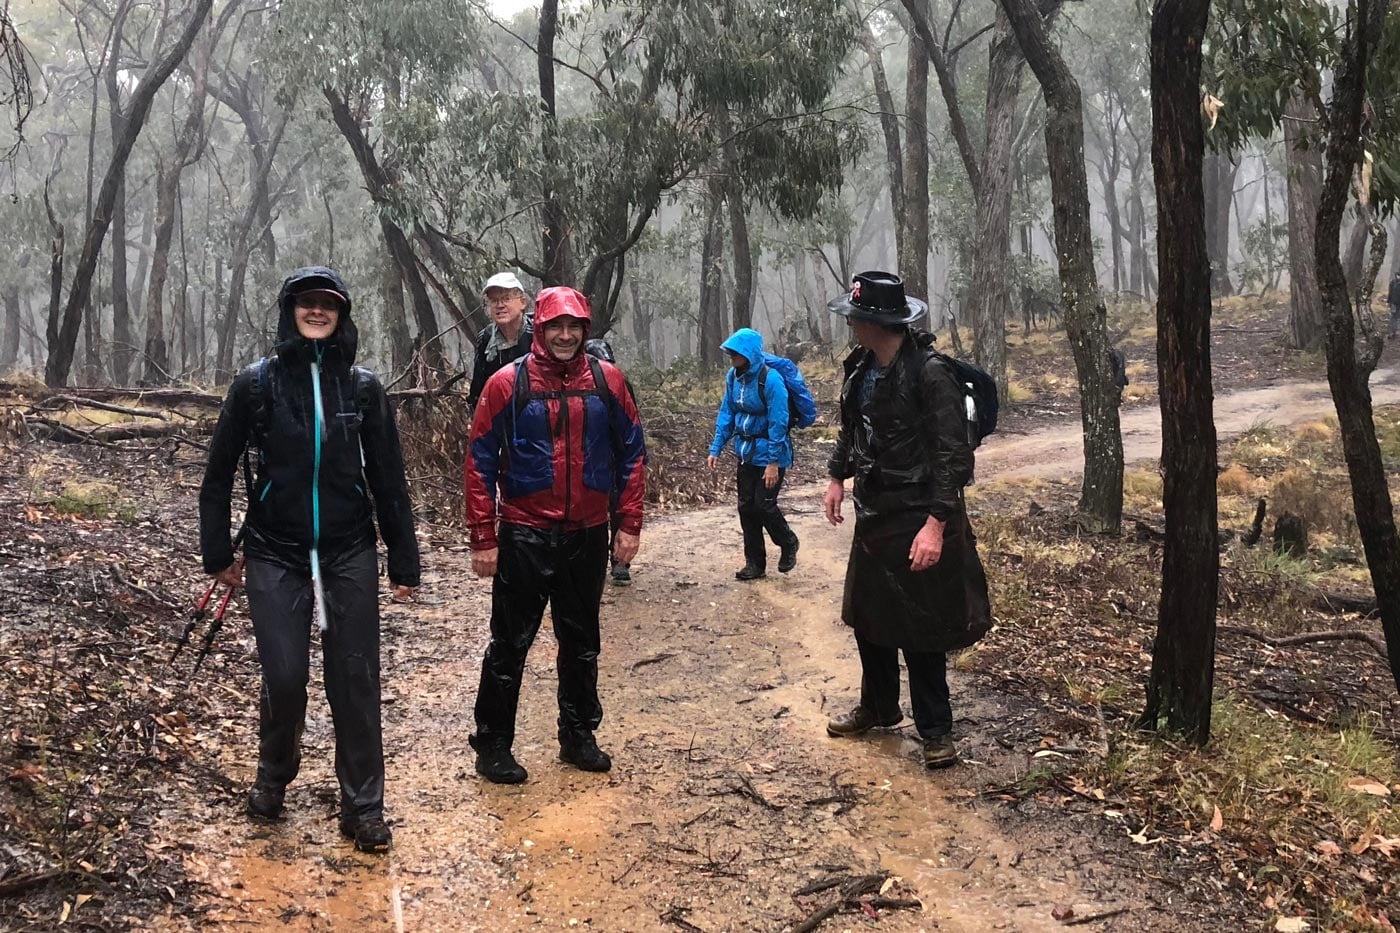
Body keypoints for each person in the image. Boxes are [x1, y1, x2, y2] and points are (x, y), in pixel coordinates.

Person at [199, 265, 420, 853]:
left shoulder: (365, 388)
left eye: (328, 304)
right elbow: (218, 475)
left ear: (342, 314)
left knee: (355, 678)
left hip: (348, 549)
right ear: (290, 310)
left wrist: (404, 559)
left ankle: (364, 806)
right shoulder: (255, 385)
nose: (317, 312)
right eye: (307, 303)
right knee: (285, 676)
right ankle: (274, 774)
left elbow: (390, 479)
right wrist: (218, 552)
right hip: (276, 551)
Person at [464, 287, 647, 784]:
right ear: (540, 329)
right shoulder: (507, 382)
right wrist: (483, 534)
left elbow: (632, 453)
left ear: (586, 329)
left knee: (582, 640)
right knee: (509, 643)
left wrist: (629, 523)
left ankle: (579, 735)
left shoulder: (608, 381)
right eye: (555, 327)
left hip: (587, 533)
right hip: (524, 532)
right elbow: (479, 460)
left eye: (574, 327)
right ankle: (494, 743)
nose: (565, 336)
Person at [821, 271, 992, 771]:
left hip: (920, 513)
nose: (851, 323)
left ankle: (936, 730)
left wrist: (937, 524)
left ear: (877, 322)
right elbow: (853, 427)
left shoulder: (930, 373)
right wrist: (837, 477)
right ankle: (878, 706)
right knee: (868, 615)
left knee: (922, 627)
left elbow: (953, 455)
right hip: (875, 513)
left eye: (857, 316)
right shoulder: (861, 366)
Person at [705, 328, 800, 581]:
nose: (731, 357)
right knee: (747, 508)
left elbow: (779, 422)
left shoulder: (771, 380)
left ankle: (788, 542)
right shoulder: (733, 377)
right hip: (746, 453)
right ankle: (755, 564)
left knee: (764, 505)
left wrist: (773, 462)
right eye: (730, 353)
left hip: (771, 453)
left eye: (735, 353)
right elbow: (727, 413)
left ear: (748, 354)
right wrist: (716, 447)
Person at [584, 337, 642, 586]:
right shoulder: (578, 385)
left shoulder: (620, 382)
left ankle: (620, 562)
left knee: (619, 507)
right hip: (590, 458)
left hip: (616, 457)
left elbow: (632, 425)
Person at [467, 272, 533, 409]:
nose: (500, 305)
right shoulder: (486, 338)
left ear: (523, 302)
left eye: (506, 299)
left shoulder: (538, 333)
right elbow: (479, 390)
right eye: (494, 300)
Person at [1388, 268, 1400, 338]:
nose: (1398, 276)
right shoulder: (1392, 282)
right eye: (1397, 275)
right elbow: (1390, 292)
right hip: (1393, 303)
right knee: (1393, 317)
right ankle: (1391, 333)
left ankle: (1394, 332)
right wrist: (1389, 301)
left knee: (1396, 318)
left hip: (1399, 304)